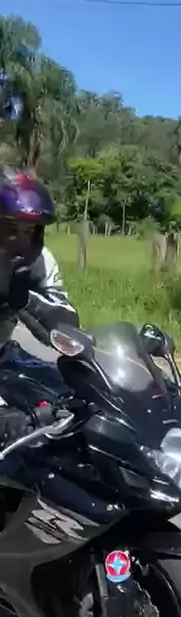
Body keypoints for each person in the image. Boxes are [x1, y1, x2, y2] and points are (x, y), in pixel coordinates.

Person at [0, 165, 79, 445]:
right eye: (10, 228)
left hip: (3, 354)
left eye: (29, 230)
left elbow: (67, 329)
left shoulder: (39, 260)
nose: (21, 241)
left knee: (72, 401)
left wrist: (24, 298)